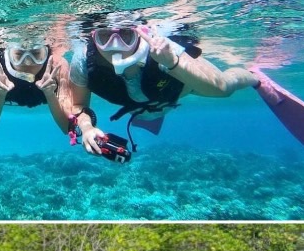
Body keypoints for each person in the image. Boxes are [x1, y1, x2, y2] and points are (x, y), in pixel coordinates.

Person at [64, 18, 263, 155]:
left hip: (175, 90)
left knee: (226, 86)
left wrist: (172, 62)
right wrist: (87, 127)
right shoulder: (83, 59)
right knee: (149, 110)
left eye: (126, 35)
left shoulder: (159, 46)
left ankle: (255, 78)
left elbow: (219, 89)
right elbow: (78, 105)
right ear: (93, 37)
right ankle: (150, 114)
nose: (116, 45)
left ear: (138, 33)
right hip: (141, 102)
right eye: (104, 37)